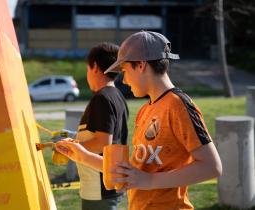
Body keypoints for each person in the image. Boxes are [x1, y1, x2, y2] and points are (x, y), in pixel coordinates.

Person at [55, 31, 222, 210]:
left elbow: (212, 167)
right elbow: (132, 172)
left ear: (141, 65)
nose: (124, 80)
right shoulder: (145, 110)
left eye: (125, 71)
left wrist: (149, 181)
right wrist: (82, 155)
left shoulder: (178, 105)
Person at [55, 42, 129, 210]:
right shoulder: (116, 96)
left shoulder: (102, 98)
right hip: (105, 185)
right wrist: (74, 138)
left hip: (99, 189)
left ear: (94, 66)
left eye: (87, 69)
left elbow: (102, 143)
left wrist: (68, 147)